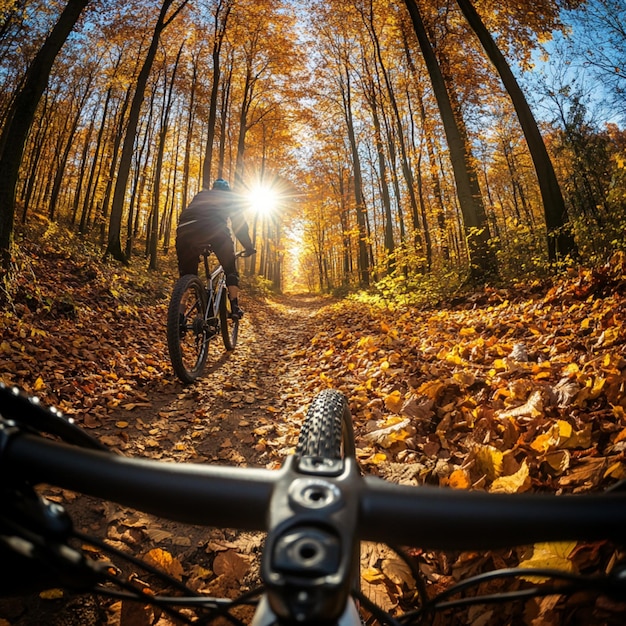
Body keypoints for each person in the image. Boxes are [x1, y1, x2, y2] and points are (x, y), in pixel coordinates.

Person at [175, 178, 255, 318]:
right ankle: (235, 307)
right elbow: (239, 225)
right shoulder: (229, 197)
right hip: (214, 230)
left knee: (186, 277)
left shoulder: (200, 195)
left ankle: (178, 318)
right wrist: (248, 246)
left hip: (184, 232)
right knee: (230, 268)